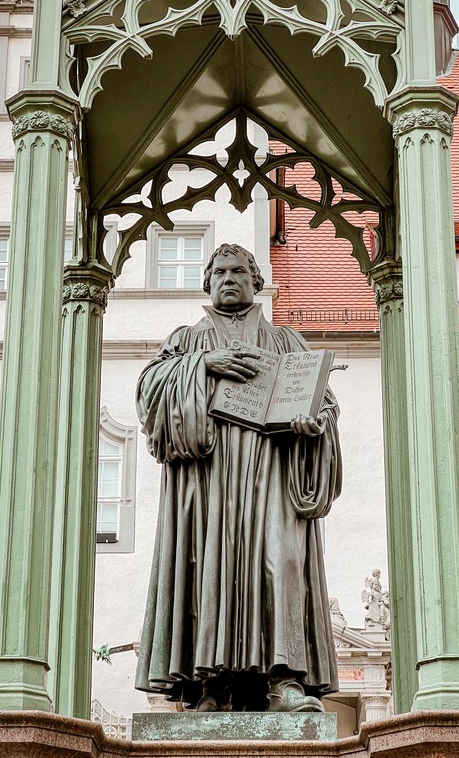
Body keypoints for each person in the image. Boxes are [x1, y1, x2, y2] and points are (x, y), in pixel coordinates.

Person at [135, 243, 342, 712]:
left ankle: (284, 679)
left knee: (281, 560)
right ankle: (209, 685)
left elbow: (323, 401)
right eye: (220, 272)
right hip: (206, 479)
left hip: (270, 473)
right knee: (206, 567)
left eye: (240, 272)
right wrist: (203, 364)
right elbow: (149, 393)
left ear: (257, 282)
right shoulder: (186, 341)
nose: (229, 279)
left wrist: (315, 426)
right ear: (207, 283)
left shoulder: (287, 341)